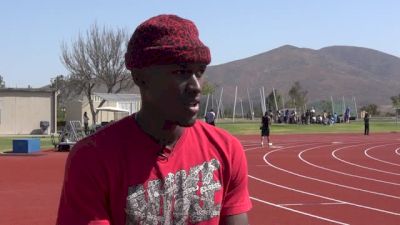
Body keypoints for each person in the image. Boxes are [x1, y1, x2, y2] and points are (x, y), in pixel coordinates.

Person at [56, 14, 251, 225]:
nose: (196, 86)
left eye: (199, 72)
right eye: (181, 72)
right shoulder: (93, 158)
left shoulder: (226, 150)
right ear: (140, 78)